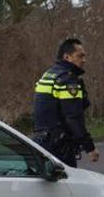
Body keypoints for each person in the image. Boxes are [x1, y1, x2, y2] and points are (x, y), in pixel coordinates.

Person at [31, 36, 98, 167]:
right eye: (80, 56)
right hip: (60, 146)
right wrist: (89, 147)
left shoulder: (49, 74)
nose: (84, 60)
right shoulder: (68, 80)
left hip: (42, 141)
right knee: (66, 184)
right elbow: (73, 117)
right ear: (67, 57)